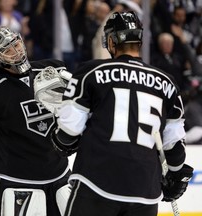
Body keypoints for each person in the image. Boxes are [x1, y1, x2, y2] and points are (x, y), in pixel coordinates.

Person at [50, 11, 194, 216]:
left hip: (97, 183)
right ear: (139, 40)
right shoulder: (167, 83)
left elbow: (69, 132)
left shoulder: (92, 72)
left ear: (111, 40)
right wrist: (176, 174)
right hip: (145, 191)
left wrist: (59, 138)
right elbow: (174, 144)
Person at [0, 26, 71, 216]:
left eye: (16, 43)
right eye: (8, 49)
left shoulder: (51, 71)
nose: (16, 50)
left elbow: (82, 111)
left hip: (58, 176)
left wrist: (71, 99)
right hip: (13, 181)